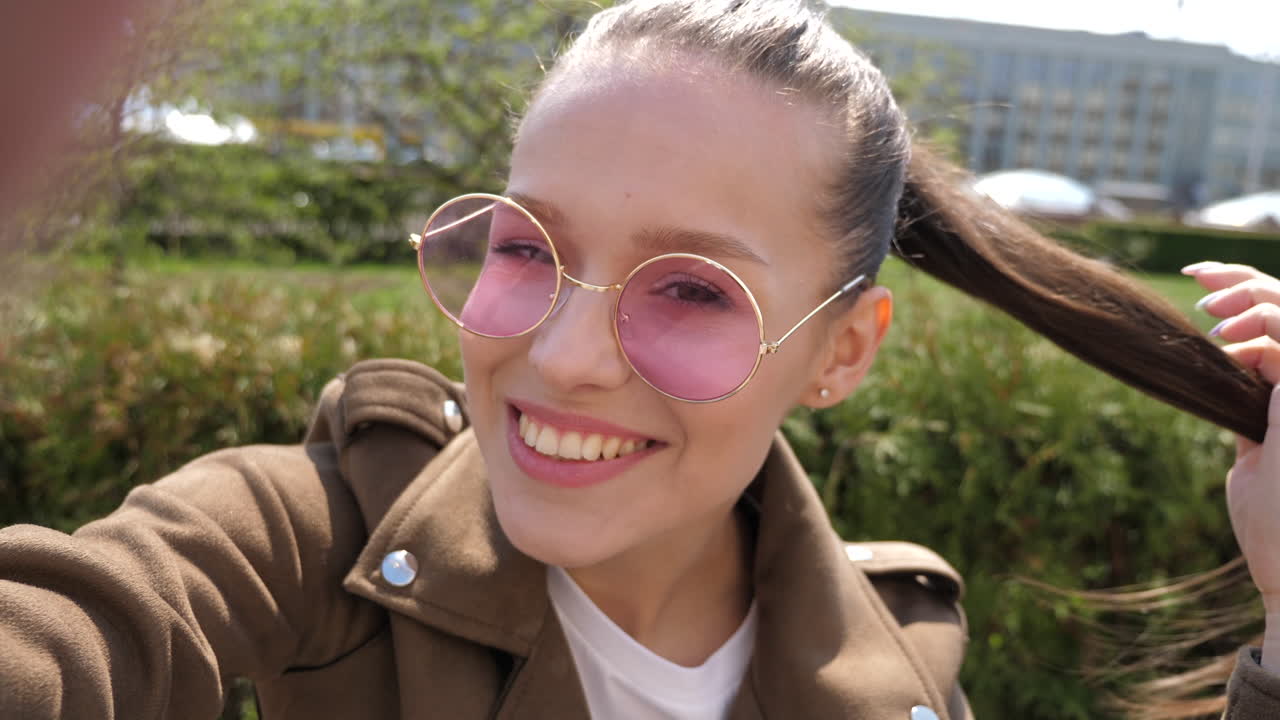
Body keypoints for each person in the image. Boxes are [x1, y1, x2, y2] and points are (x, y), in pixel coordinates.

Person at [2, 1, 1279, 718]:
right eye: (521, 247)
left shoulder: (903, 665)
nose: (561, 357)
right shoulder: (307, 543)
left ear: (840, 353)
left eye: (688, 288)